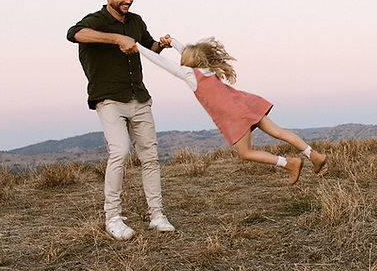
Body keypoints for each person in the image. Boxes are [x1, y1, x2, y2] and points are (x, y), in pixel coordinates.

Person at [67, 0, 176, 240]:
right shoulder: (94, 21)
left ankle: (157, 215)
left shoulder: (136, 21)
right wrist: (116, 38)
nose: (127, 0)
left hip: (138, 97)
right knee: (119, 151)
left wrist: (161, 44)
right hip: (109, 99)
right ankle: (113, 218)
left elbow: (149, 48)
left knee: (150, 156)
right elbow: (74, 34)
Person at [138, 37, 326, 181]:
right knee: (279, 132)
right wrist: (174, 42)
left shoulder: (190, 75)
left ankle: (289, 163)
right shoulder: (207, 68)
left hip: (235, 115)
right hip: (245, 102)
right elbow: (190, 54)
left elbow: (161, 62)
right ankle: (314, 155)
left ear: (189, 61)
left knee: (246, 153)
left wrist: (138, 47)